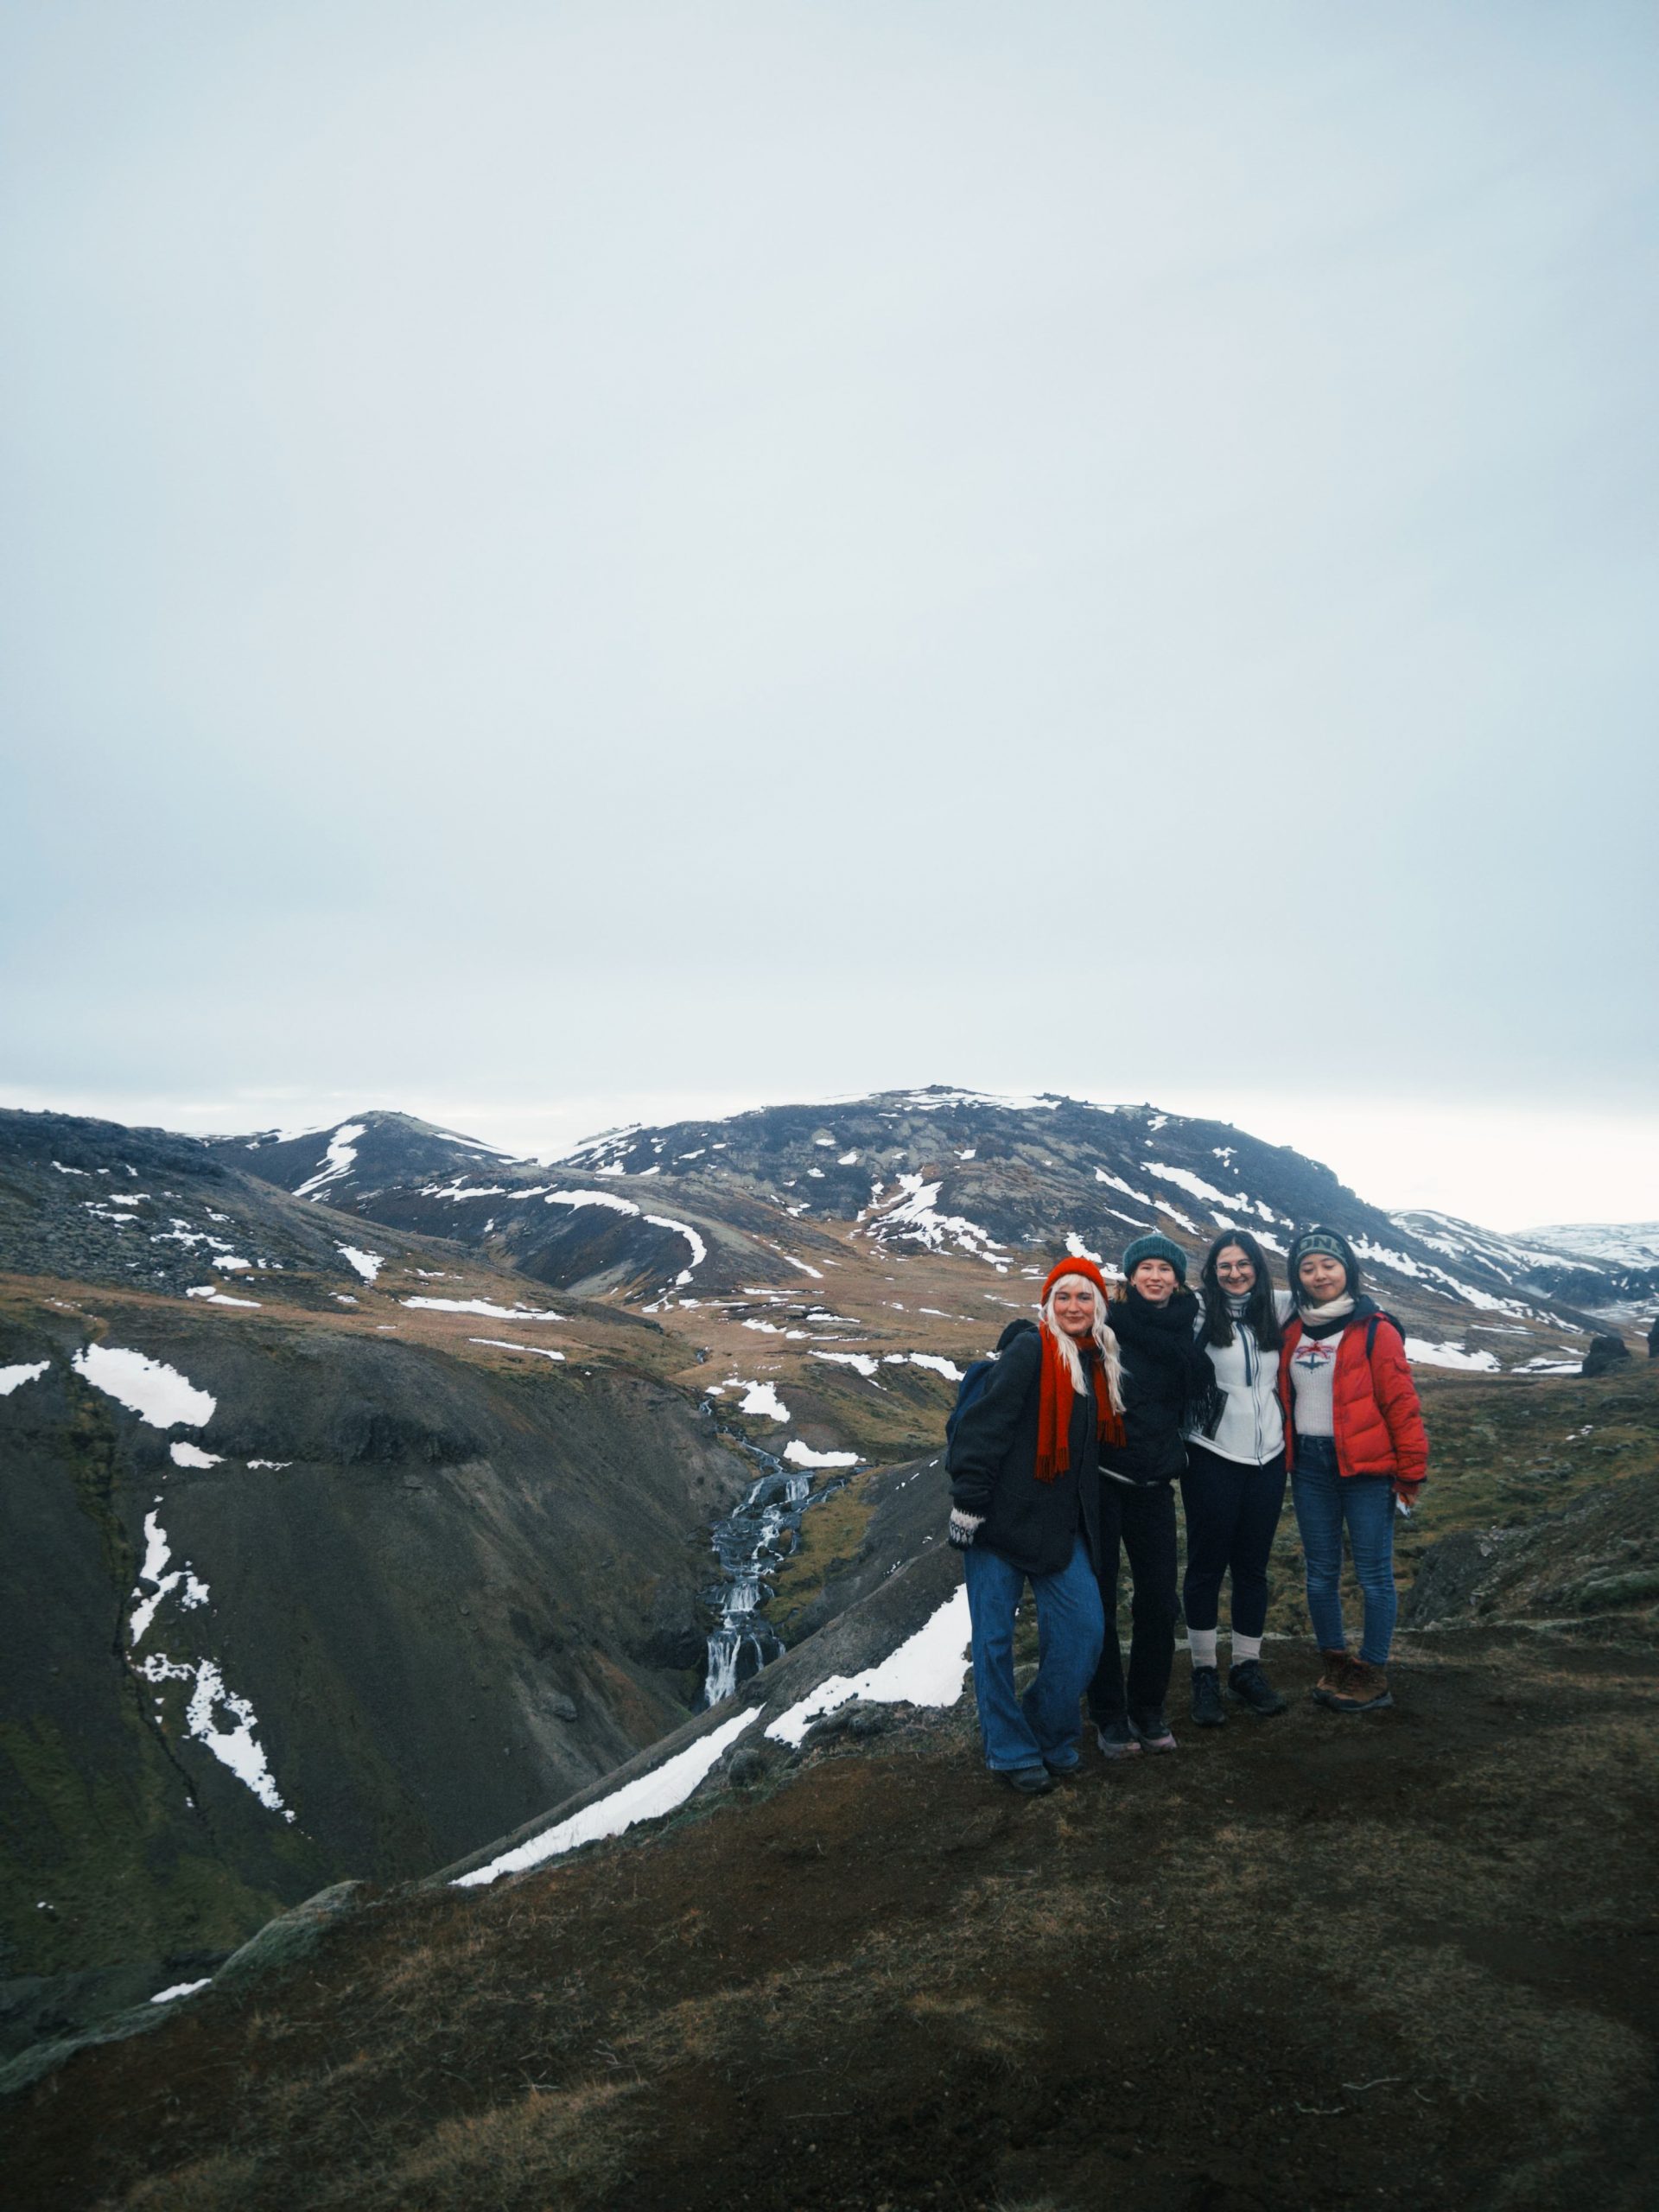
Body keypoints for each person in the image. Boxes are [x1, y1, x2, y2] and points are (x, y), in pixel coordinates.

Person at [945, 1257, 1123, 1795]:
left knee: (1084, 1632)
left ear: (1100, 1306)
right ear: (1049, 1304)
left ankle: (1047, 1729)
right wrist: (969, 1505)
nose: (1074, 1307)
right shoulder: (1030, 1351)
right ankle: (1009, 1749)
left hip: (1056, 1528)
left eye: (1084, 1297)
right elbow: (983, 1428)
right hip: (996, 1523)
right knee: (994, 1641)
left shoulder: (1100, 1362)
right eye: (1063, 1297)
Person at [1278, 1227, 1428, 1713]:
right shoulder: (1292, 1331)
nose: (1319, 1275)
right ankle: (1337, 1662)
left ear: (1347, 1270)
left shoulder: (1376, 1329)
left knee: (1373, 1575)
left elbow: (1401, 1405)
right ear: (1298, 1277)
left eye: (1328, 1264)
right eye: (1308, 1268)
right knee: (1320, 1574)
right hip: (1311, 1467)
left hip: (1367, 1470)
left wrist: (1410, 1474)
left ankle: (1373, 1671)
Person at [1088, 1232, 1211, 1758]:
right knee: (1101, 1601)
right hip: (1103, 1483)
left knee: (1159, 1602)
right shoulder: (1106, 1325)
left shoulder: (1192, 1331)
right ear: (1130, 1277)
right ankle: (1109, 1714)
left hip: (1156, 1485)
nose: (1156, 1276)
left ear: (1178, 1279)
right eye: (1146, 1268)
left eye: (1166, 1268)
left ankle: (1148, 1706)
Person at [1182, 1230, 1292, 1726]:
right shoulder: (1198, 1312)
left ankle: (1247, 1667)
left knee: (1252, 1568)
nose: (1235, 1273)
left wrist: (1385, 1319)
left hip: (1268, 1457)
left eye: (1243, 1264)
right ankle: (1203, 1672)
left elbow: (1344, 1301)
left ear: (1257, 1267)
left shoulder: (1278, 1309)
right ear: (1213, 1270)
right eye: (1225, 1265)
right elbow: (1144, 1318)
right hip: (1211, 1454)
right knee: (1207, 1567)